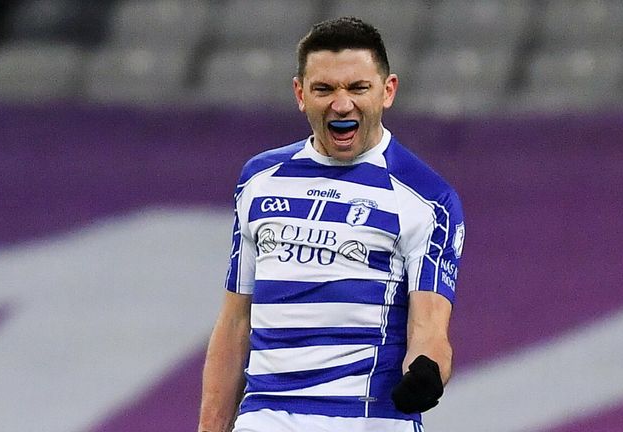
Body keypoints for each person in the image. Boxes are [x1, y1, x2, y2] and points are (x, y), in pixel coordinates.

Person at [198, 16, 465, 432]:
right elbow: (235, 322)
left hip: (368, 419)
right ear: (300, 94)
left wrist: (427, 373)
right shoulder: (259, 180)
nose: (342, 105)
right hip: (267, 418)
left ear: (387, 91)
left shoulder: (427, 199)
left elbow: (429, 329)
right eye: (324, 89)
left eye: (358, 88)